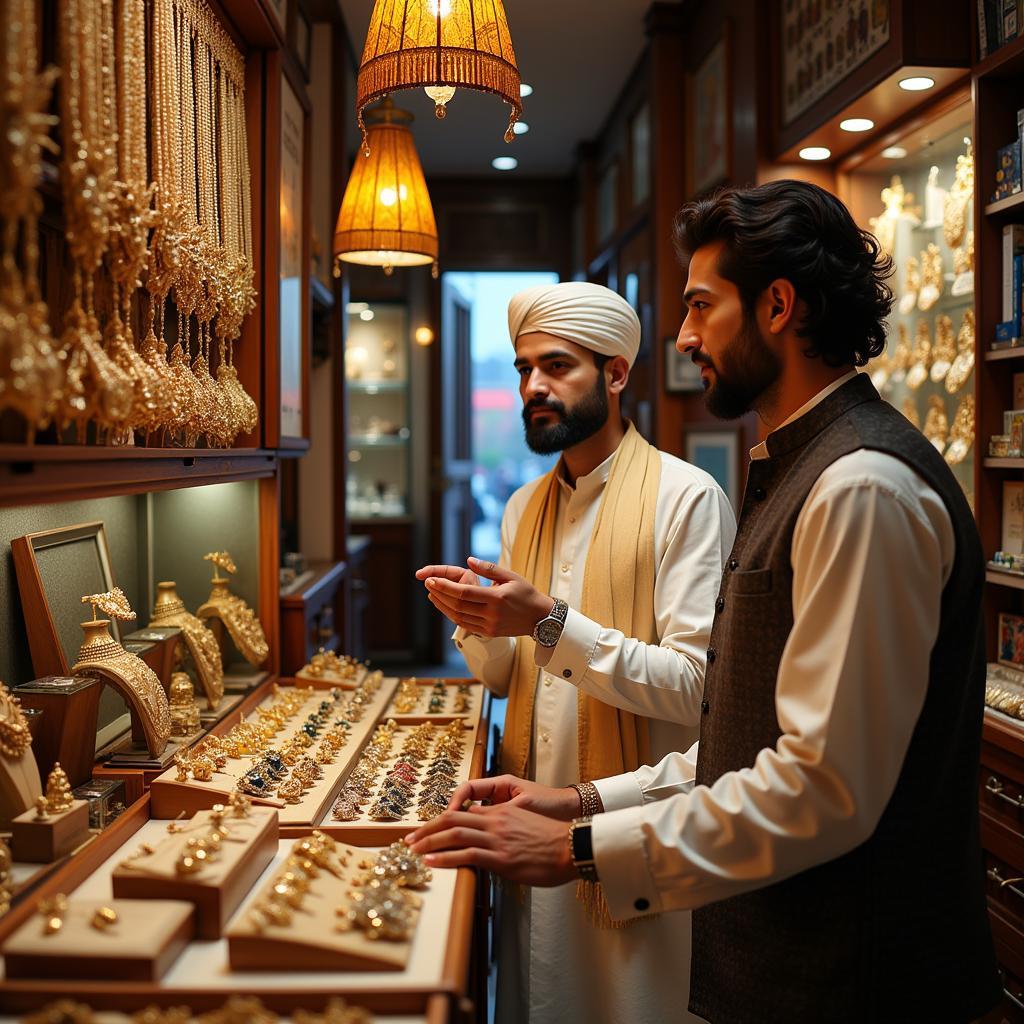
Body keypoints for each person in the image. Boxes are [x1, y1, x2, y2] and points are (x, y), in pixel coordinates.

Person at [409, 182, 1001, 1024]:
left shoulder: (860, 485)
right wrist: (580, 800)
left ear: (778, 306)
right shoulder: (803, 467)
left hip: (854, 981)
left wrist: (578, 847)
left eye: (699, 306)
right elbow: (742, 739)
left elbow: (820, 788)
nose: (683, 338)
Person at [415, 280, 736, 1024]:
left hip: (633, 828)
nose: (534, 387)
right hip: (530, 813)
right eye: (525, 368)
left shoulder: (685, 499)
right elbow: (500, 675)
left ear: (616, 374)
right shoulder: (526, 505)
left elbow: (697, 690)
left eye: (557, 367)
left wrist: (549, 621)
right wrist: (473, 617)